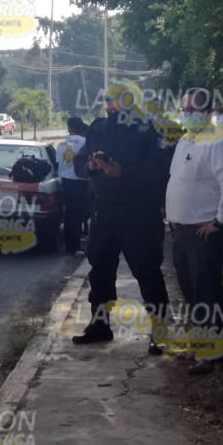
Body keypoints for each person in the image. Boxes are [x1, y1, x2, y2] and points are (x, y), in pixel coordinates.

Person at [71, 85, 172, 348]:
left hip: (138, 212)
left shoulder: (148, 129)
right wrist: (91, 166)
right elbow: (79, 163)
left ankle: (160, 331)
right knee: (101, 272)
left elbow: (160, 169)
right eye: (105, 99)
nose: (108, 103)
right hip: (104, 212)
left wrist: (124, 173)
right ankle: (100, 324)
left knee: (147, 271)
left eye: (113, 99)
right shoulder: (98, 128)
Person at [166, 88, 223, 374]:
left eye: (192, 110)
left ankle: (218, 353)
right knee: (191, 290)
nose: (186, 114)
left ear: (207, 111)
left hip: (205, 232)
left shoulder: (218, 141)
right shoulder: (186, 140)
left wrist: (220, 221)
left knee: (207, 290)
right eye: (183, 109)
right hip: (181, 231)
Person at [55, 117, 89, 254]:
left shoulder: (61, 144)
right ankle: (74, 246)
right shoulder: (85, 142)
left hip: (66, 182)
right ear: (81, 127)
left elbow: (58, 164)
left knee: (70, 214)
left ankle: (70, 244)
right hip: (80, 181)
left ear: (69, 128)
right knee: (78, 214)